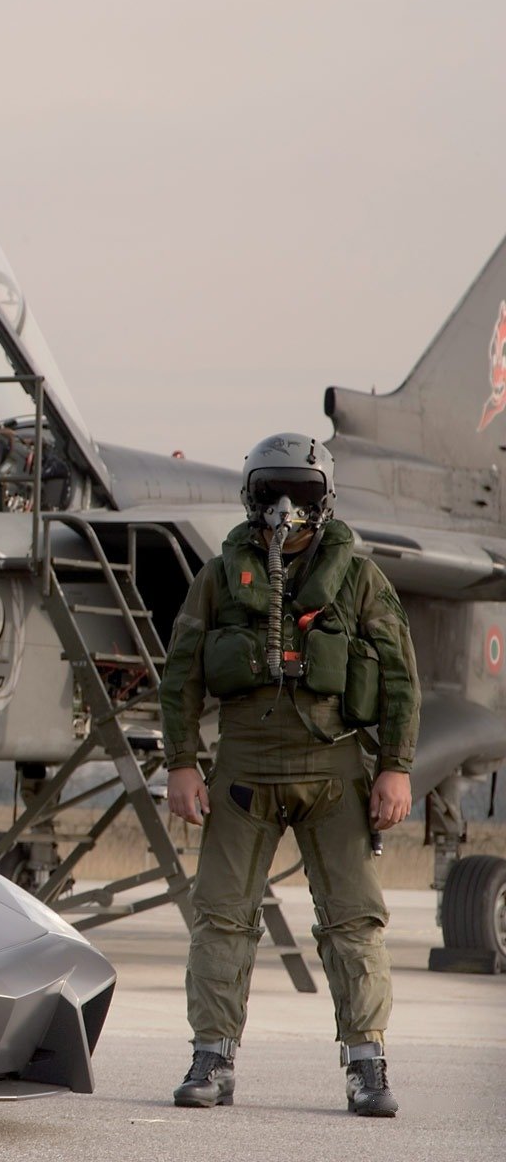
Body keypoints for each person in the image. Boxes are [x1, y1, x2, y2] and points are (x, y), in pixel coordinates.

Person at [158, 433, 417, 1117]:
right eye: (271, 491)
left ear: (324, 499)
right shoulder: (220, 576)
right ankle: (211, 1058)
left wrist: (396, 767)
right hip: (242, 771)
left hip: (333, 768)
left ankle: (368, 1064)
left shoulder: (359, 578)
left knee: (354, 922)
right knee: (220, 917)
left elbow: (399, 678)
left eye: (300, 493)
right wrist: (181, 763)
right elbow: (181, 673)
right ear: (250, 495)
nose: (283, 508)